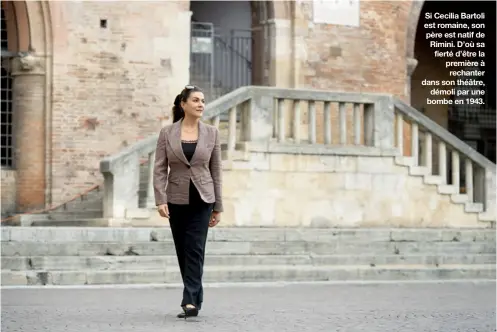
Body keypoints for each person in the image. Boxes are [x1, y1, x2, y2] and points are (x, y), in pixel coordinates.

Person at [153, 85, 223, 319]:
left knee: (194, 249)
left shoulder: (212, 133)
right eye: (195, 100)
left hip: (203, 199)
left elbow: (216, 170)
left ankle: (189, 300)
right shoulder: (167, 133)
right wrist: (160, 198)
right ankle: (196, 296)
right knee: (183, 250)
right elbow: (160, 168)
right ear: (183, 104)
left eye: (203, 100)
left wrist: (218, 206)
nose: (201, 104)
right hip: (176, 199)